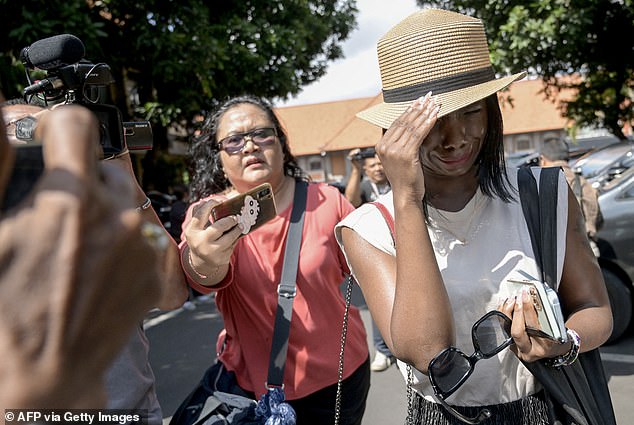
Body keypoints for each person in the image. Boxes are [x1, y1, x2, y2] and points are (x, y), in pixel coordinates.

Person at [335, 9, 612, 424]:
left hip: (549, 406)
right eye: (431, 122)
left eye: (470, 111)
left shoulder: (544, 194)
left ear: (491, 111)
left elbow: (595, 308)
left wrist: (565, 342)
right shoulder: (370, 228)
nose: (455, 138)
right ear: (396, 129)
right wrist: (407, 198)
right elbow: (426, 351)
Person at [178, 95, 370, 424]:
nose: (250, 146)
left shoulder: (327, 201)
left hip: (339, 378)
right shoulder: (207, 216)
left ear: (281, 145)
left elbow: (373, 265)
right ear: (220, 159)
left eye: (262, 134)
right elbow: (198, 275)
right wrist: (204, 262)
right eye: (234, 140)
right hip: (252, 388)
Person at [1, 100, 188, 423]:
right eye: (17, 131)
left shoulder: (102, 231)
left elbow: (172, 294)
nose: (31, 141)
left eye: (39, 131)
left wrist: (129, 183)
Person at [344, 147, 395, 372]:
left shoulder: (396, 182)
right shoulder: (364, 186)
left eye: (379, 164)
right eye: (372, 165)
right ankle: (383, 350)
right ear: (366, 169)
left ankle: (404, 347)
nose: (377, 168)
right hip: (376, 250)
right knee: (380, 300)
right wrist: (355, 171)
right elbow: (350, 201)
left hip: (401, 247)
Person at [539, 138, 602, 256]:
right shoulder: (583, 183)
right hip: (586, 251)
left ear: (543, 160)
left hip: (552, 255)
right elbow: (597, 219)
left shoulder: (539, 186)